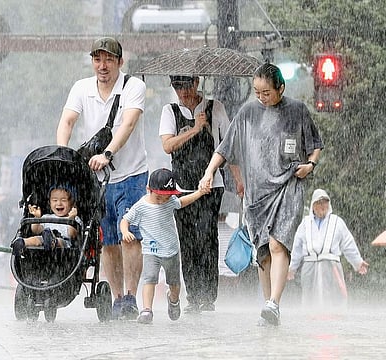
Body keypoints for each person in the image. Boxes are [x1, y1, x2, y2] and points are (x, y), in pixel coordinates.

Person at [199, 63, 324, 326]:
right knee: (264, 252)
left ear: (281, 88)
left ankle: (274, 302)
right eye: (257, 91)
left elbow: (315, 146)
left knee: (279, 244)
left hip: (288, 185)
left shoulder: (297, 111)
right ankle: (269, 307)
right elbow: (226, 147)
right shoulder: (248, 112)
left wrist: (310, 165)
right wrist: (210, 171)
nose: (261, 97)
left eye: (266, 92)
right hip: (257, 192)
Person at [56, 37, 147, 320]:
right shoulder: (81, 88)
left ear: (120, 62)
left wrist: (108, 153)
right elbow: (68, 121)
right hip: (97, 178)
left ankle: (131, 295)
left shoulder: (134, 86)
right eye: (97, 59)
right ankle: (117, 296)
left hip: (131, 173)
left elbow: (129, 122)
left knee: (129, 237)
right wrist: (62, 154)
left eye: (109, 59)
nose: (103, 65)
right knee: (107, 239)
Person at [158, 75, 229, 313]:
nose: (183, 91)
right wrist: (195, 129)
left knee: (206, 237)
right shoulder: (170, 111)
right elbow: (168, 145)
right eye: (177, 86)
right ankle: (193, 295)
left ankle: (208, 296)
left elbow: (227, 144)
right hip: (181, 188)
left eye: (187, 85)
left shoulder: (214, 107)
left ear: (197, 83)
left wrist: (238, 180)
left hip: (210, 184)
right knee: (187, 241)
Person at [120, 168, 208, 324]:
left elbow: (183, 201)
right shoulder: (141, 206)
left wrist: (200, 193)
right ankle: (147, 310)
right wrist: (125, 231)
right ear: (149, 190)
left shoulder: (170, 201)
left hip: (171, 250)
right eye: (159, 197)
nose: (163, 201)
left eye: (167, 198)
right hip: (150, 250)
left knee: (174, 283)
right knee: (149, 280)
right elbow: (125, 219)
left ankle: (173, 300)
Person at [288, 188, 369, 311]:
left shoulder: (337, 222)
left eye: (325, 203)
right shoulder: (305, 223)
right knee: (309, 299)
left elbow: (348, 243)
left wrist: (358, 262)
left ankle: (335, 322)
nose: (323, 206)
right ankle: (310, 322)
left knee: (334, 297)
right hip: (310, 266)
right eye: (319, 203)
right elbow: (297, 248)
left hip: (332, 266)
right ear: (313, 205)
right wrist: (292, 268)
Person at [11, 187, 79, 256]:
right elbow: (36, 230)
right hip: (44, 239)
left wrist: (71, 219)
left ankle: (52, 241)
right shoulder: (46, 217)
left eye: (63, 200)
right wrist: (37, 218)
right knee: (37, 239)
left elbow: (72, 234)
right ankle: (22, 243)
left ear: (72, 203)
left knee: (60, 241)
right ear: (49, 203)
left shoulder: (74, 218)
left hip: (64, 244)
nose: (59, 203)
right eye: (55, 200)